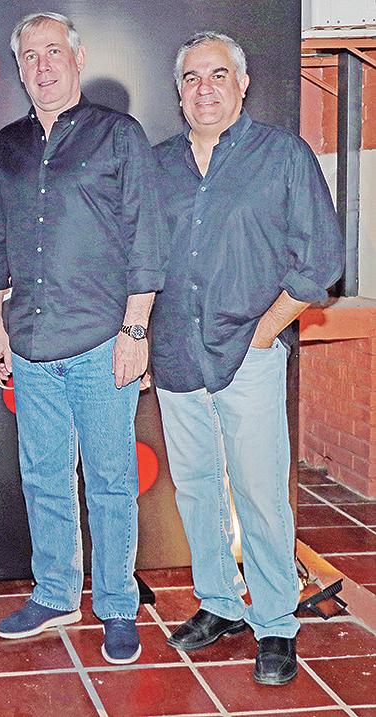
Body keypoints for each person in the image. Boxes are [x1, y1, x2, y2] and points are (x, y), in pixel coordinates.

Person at [150, 32, 343, 685]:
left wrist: (265, 331)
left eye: (217, 75)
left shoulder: (282, 156)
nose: (204, 89)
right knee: (197, 488)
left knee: (261, 494)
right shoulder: (158, 166)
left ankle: (277, 623)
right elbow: (139, 259)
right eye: (191, 78)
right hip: (177, 353)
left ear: (242, 83)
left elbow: (321, 260)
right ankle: (220, 602)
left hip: (249, 355)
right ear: (179, 92)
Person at [0, 12, 165, 665]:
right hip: (30, 342)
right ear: (20, 68)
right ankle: (56, 593)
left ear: (77, 59)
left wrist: (136, 329)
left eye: (53, 52)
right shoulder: (8, 145)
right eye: (30, 56)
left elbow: (146, 237)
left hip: (101, 340)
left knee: (111, 480)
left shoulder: (119, 135)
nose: (43, 65)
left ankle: (116, 605)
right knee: (43, 476)